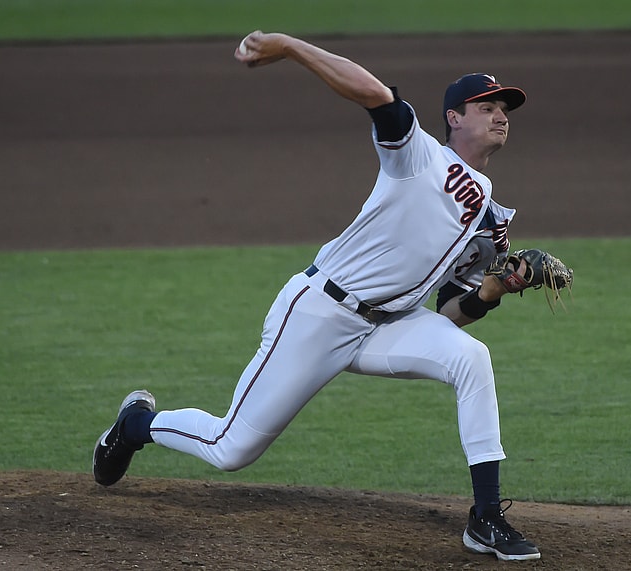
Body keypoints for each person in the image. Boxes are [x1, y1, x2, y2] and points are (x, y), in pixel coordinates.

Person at [93, 31, 543, 562]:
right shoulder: (421, 157)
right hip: (320, 313)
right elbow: (375, 95)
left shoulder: (490, 223)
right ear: (453, 118)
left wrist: (493, 289)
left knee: (471, 358)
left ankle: (486, 517)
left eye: (504, 109)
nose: (500, 115)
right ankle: (135, 425)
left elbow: (450, 312)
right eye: (486, 106)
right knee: (230, 448)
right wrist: (289, 46)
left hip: (389, 325)